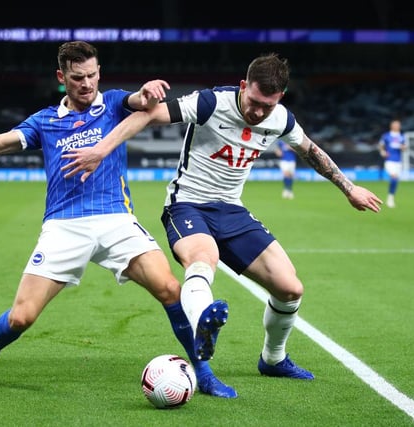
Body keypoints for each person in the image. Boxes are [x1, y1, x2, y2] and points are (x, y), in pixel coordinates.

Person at [61, 52, 383, 382]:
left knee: (290, 288)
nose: (258, 112)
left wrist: (348, 188)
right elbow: (147, 115)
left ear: (280, 99)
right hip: (187, 205)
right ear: (244, 86)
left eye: (267, 106)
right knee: (204, 258)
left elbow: (311, 151)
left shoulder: (281, 119)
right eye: (254, 101)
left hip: (232, 210)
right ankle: (203, 327)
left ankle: (273, 359)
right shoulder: (210, 103)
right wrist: (100, 150)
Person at [0, 41, 236, 398]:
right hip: (64, 226)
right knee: (21, 318)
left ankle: (204, 374)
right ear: (61, 77)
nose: (87, 83)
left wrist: (149, 91)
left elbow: (140, 102)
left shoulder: (112, 102)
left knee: (170, 289)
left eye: (92, 75)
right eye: (78, 77)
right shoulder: (45, 121)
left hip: (116, 219)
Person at [378, 119, 406, 208]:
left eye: (398, 125)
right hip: (389, 161)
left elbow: (404, 148)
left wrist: (403, 147)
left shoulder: (402, 137)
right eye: (395, 125)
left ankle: (391, 197)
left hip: (398, 161)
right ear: (391, 126)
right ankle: (390, 199)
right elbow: (381, 146)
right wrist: (382, 152)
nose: (397, 126)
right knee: (393, 178)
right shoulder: (386, 136)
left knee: (395, 180)